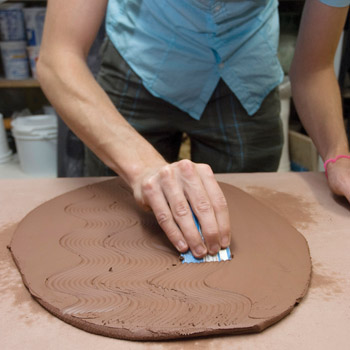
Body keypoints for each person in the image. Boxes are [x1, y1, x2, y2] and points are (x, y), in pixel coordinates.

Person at [37, 0, 350, 259]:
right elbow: (57, 58)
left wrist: (337, 155)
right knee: (116, 234)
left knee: (248, 239)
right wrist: (143, 168)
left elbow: (315, 69)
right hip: (141, 60)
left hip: (244, 70)